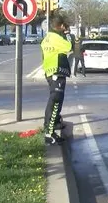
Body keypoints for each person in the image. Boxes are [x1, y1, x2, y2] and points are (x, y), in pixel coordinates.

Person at [41, 15, 72, 145]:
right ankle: (49, 133)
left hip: (49, 71)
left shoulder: (47, 38)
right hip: (57, 71)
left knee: (52, 101)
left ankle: (51, 127)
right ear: (61, 26)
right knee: (55, 103)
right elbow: (69, 46)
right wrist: (67, 34)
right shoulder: (57, 38)